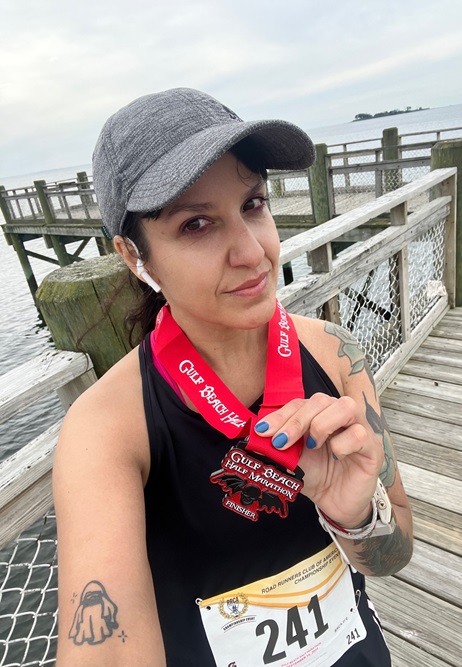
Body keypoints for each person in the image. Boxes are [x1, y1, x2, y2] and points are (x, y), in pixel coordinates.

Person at [53, 87, 413, 667]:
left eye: (253, 204)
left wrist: (356, 518)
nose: (252, 252)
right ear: (133, 255)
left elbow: (395, 555)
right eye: (197, 224)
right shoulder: (107, 430)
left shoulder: (334, 351)